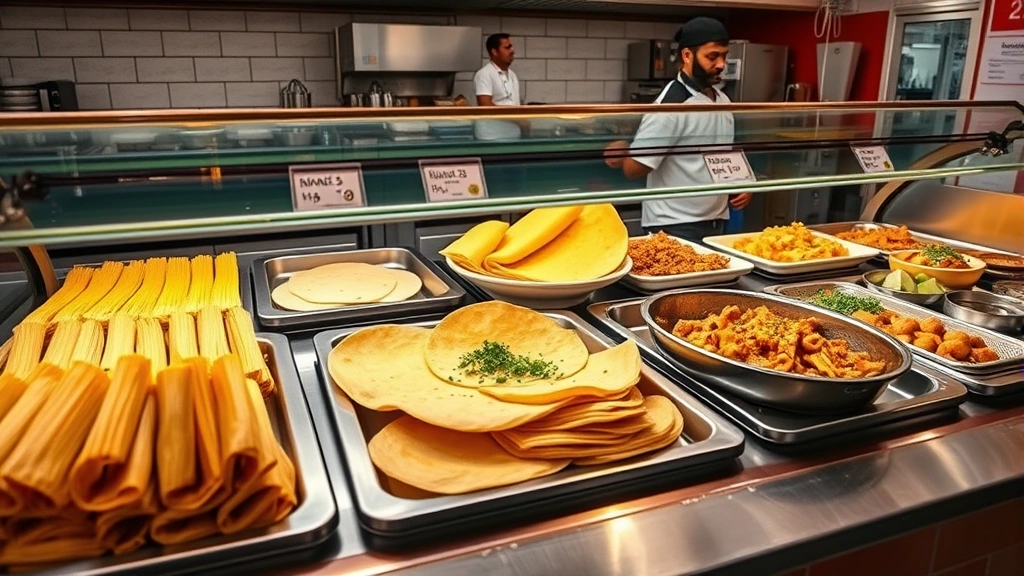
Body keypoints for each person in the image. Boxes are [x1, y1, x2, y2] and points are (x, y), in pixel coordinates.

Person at [604, 17, 752, 244]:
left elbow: (721, 152)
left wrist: (743, 182)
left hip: (716, 220)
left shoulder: (721, 99)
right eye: (712, 56)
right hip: (674, 227)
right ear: (687, 56)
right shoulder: (673, 105)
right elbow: (635, 169)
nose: (721, 64)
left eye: (724, 55)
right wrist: (626, 153)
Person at [473, 33, 522, 141]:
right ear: (494, 51)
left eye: (512, 47)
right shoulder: (484, 74)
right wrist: (517, 119)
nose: (512, 51)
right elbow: (485, 105)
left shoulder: (513, 75)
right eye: (507, 47)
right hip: (491, 137)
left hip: (513, 136)